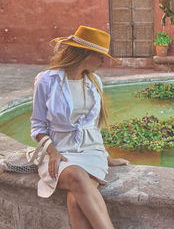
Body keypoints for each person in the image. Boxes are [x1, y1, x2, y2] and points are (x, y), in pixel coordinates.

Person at [30, 25, 129, 229]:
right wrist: (53, 151)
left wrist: (106, 155)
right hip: (60, 153)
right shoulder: (46, 81)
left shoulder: (95, 83)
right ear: (86, 53)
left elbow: (94, 126)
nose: (103, 61)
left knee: (76, 202)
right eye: (100, 56)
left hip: (91, 152)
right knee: (76, 175)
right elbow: (37, 125)